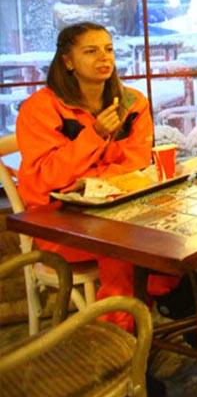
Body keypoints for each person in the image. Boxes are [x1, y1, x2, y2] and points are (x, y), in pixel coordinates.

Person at [15, 23, 179, 332]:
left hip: (122, 208)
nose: (104, 58)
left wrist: (90, 178)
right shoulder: (40, 109)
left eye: (108, 49)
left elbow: (135, 163)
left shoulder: (131, 103)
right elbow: (45, 178)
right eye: (91, 51)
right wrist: (95, 135)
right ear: (68, 61)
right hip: (60, 221)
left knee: (176, 227)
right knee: (124, 248)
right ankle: (120, 344)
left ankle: (175, 305)